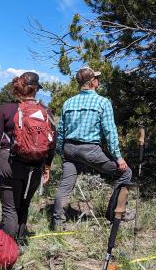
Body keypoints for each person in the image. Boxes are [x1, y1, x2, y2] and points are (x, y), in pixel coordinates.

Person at [52, 67, 133, 231]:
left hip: (69, 148)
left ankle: (58, 223)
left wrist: (62, 151)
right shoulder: (102, 102)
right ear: (93, 82)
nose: (99, 81)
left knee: (66, 186)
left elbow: (60, 131)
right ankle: (115, 214)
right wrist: (118, 157)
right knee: (125, 173)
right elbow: (110, 132)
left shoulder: (68, 102)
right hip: (90, 150)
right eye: (97, 79)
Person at [0, 73, 56, 242]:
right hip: (35, 167)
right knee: (24, 205)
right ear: (36, 90)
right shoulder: (46, 111)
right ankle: (20, 241)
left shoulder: (6, 109)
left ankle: (7, 251)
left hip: (9, 163)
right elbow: (53, 142)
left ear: (19, 88)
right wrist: (47, 165)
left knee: (10, 208)